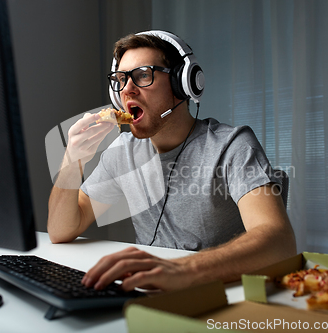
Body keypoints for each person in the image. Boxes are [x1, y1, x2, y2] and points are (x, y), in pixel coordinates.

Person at [47, 31, 296, 293]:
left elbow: (279, 241)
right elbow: (61, 230)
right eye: (121, 80)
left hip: (217, 294)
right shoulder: (122, 152)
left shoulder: (231, 145)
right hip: (149, 292)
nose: (127, 90)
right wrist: (71, 160)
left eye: (143, 75)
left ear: (183, 83)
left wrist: (183, 269)